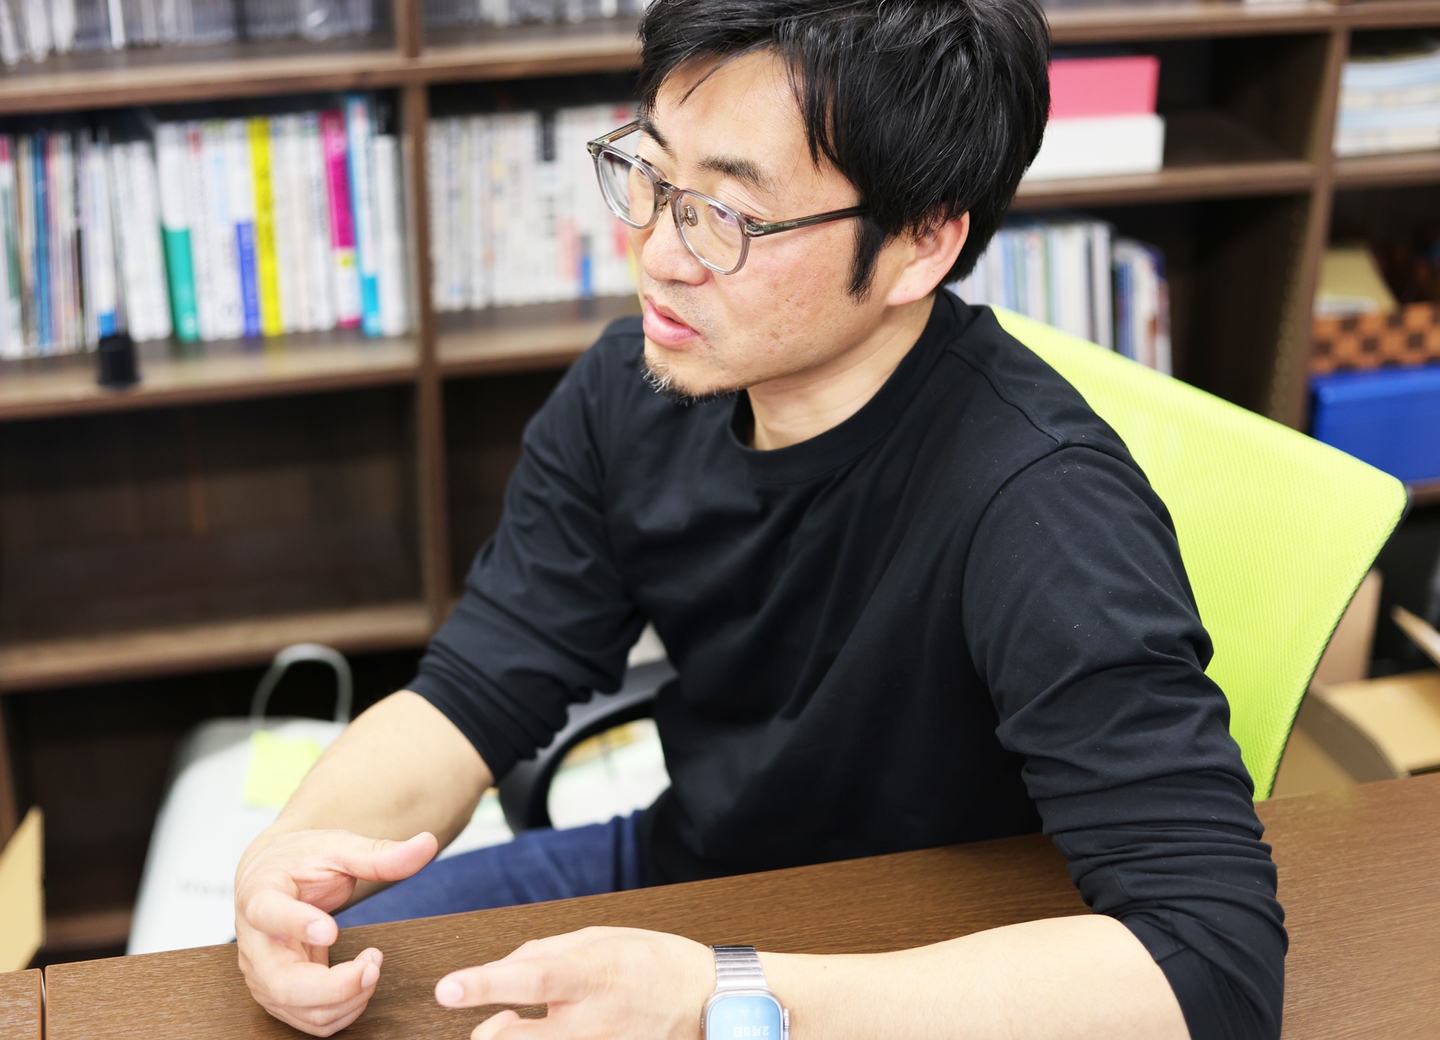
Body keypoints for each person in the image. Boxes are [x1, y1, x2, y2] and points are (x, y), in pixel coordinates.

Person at [234, 1, 1286, 1038]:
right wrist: (291, 860)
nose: (658, 251)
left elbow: (1214, 968)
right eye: (652, 175)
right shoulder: (636, 384)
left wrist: (719, 995)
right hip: (694, 878)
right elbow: (473, 690)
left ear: (920, 242)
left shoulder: (1047, 504)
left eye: (727, 214)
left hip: (931, 964)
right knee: (327, 965)